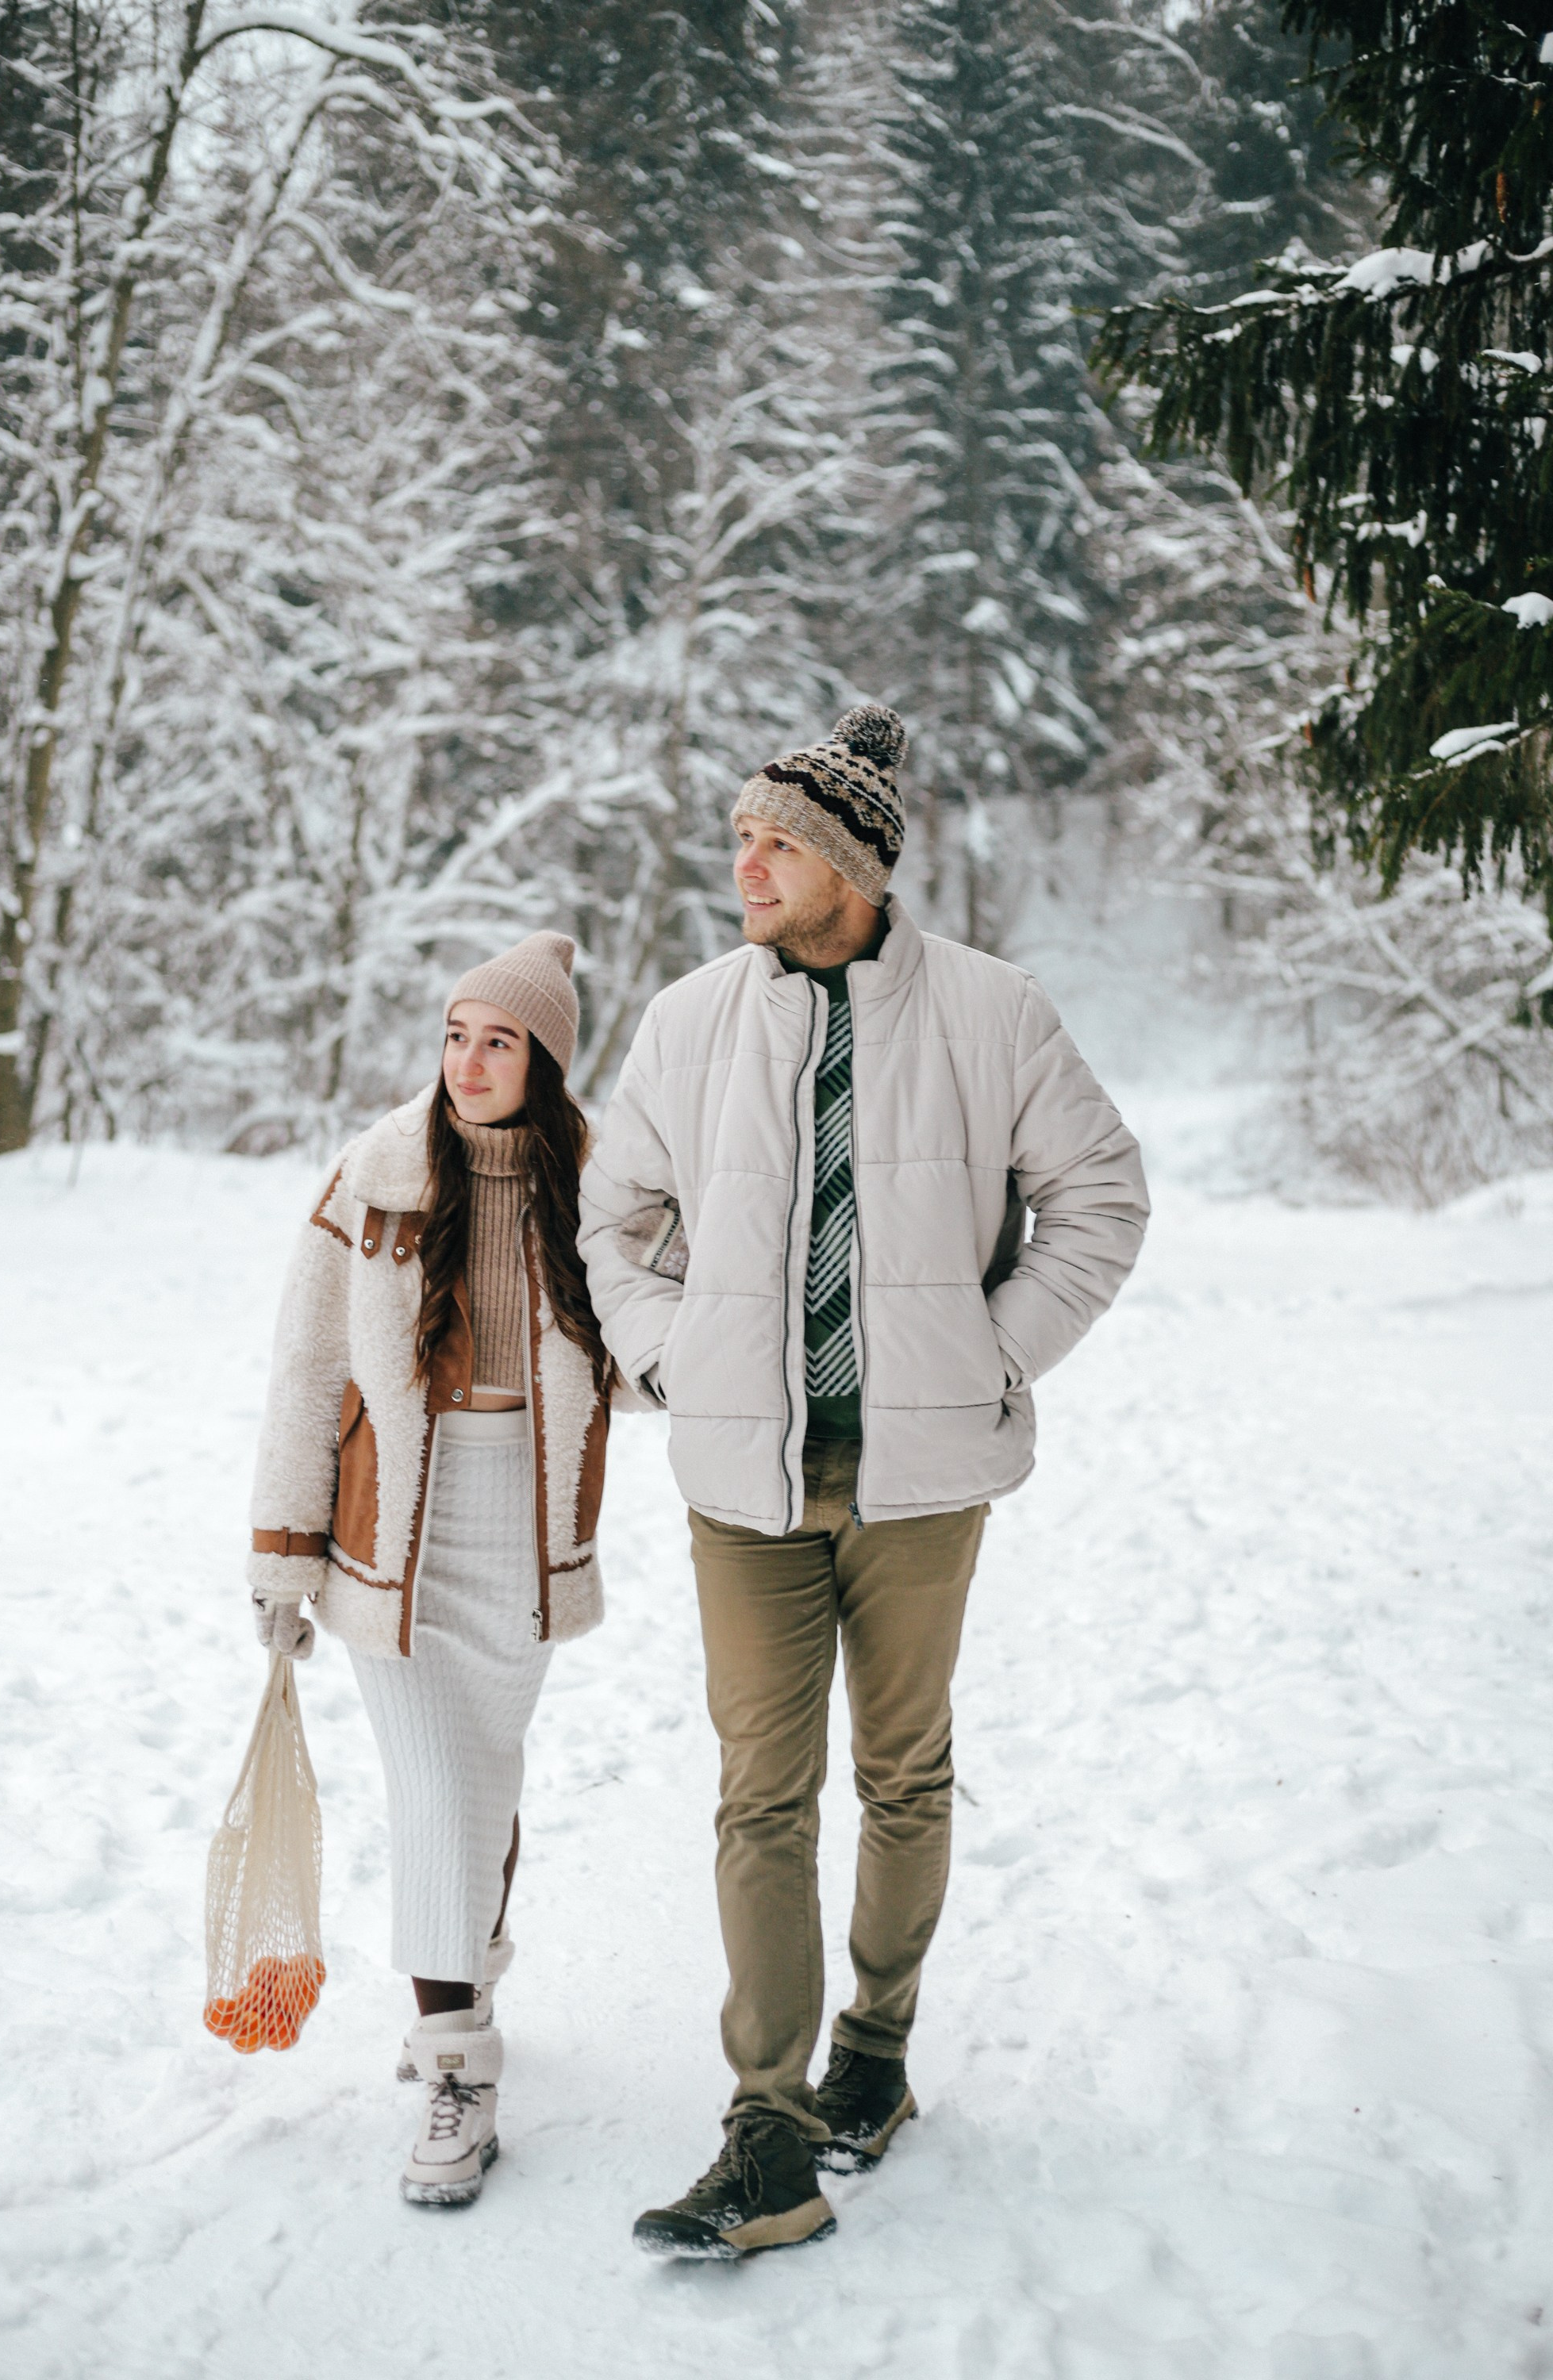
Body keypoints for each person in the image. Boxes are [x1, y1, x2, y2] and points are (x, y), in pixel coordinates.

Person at [579, 705, 1149, 2259]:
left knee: (902, 1775)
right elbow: (612, 1223)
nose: (743, 861)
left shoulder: (991, 1012)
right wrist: (672, 1359)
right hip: (738, 1487)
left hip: (920, 1483)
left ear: (848, 863)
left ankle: (875, 2059)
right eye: (743, 837)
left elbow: (1098, 1197)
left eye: (773, 840)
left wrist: (990, 1352)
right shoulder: (689, 1020)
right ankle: (765, 2130)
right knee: (758, 1793)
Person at [246, 931, 613, 2207]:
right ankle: (459, 2066)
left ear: (545, 1060)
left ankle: (462, 1958)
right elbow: (306, 1371)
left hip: (524, 1529)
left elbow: (664, 1340)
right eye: (457, 1035)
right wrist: (283, 1553)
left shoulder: (603, 1188)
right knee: (433, 1783)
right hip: (390, 1535)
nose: (468, 1061)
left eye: (499, 1040)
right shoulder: (375, 1175)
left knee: (484, 1774)